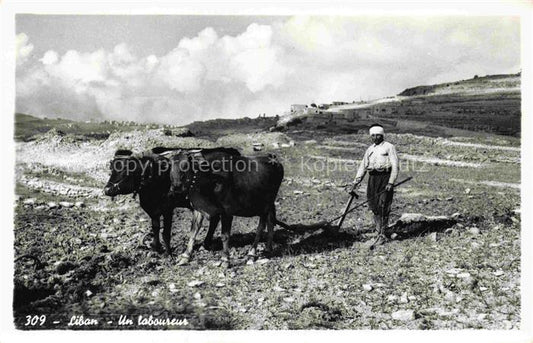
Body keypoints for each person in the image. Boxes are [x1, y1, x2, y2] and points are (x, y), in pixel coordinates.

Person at [351, 124, 399, 248]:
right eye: (373, 135)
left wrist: (391, 182)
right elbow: (363, 166)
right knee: (373, 205)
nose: (375, 137)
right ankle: (378, 231)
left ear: (382, 135)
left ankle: (382, 235)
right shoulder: (370, 149)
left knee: (383, 205)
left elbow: (395, 166)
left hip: (385, 177)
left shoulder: (389, 147)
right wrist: (356, 181)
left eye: (378, 135)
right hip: (372, 179)